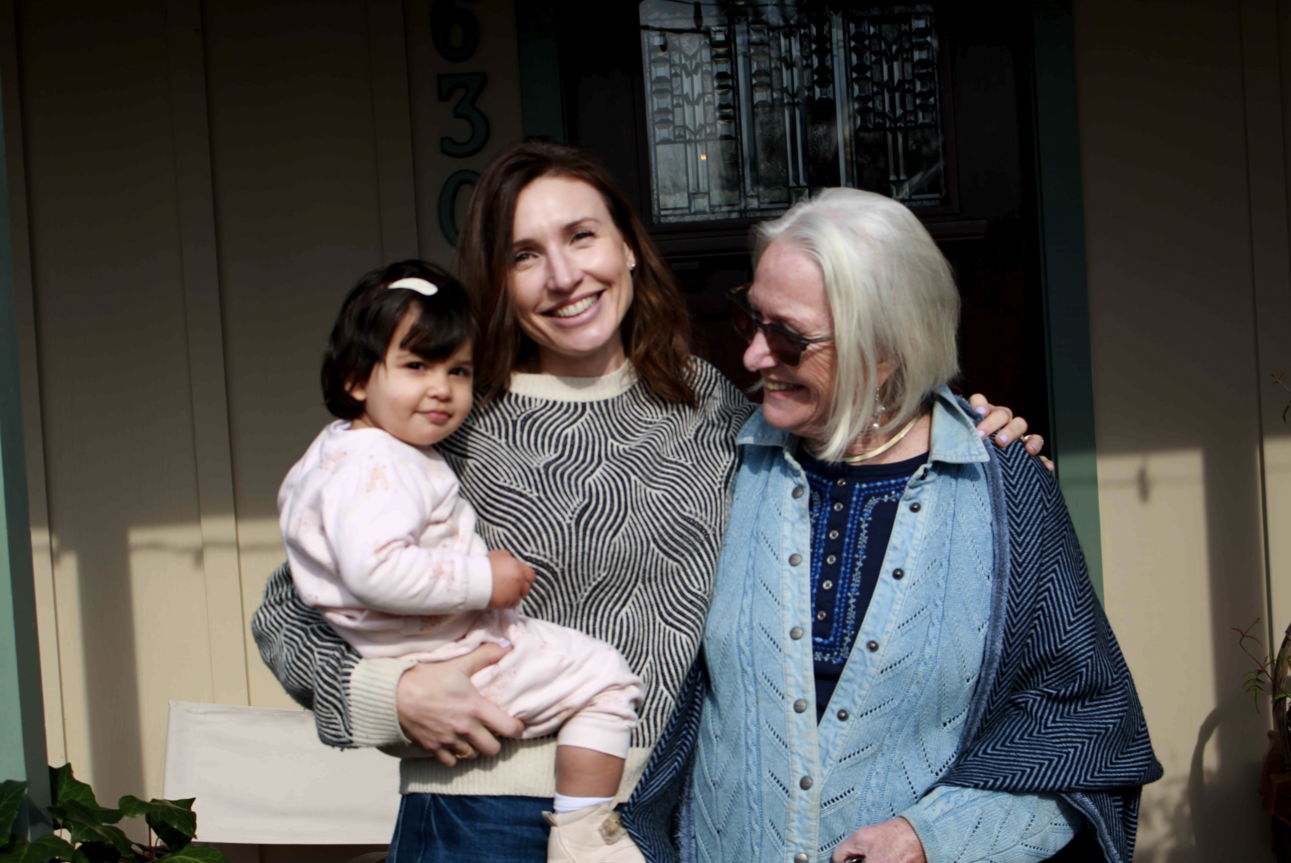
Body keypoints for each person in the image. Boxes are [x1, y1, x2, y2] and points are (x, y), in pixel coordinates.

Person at [251, 139, 1041, 863]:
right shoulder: (451, 418)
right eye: (525, 254)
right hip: (486, 816)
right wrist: (393, 693)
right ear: (497, 279)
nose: (563, 276)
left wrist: (961, 424)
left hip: (670, 819)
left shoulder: (709, 402)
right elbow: (287, 610)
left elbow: (848, 433)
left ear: (627, 246)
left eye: (581, 236)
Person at [687, 187, 1161, 863]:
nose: (754, 358)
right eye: (749, 318)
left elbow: (1081, 722)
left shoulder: (1002, 485)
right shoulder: (721, 457)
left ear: (883, 348)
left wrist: (929, 836)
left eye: (787, 336)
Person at [277, 259, 646, 862]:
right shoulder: (384, 459)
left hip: (657, 790)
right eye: (417, 366)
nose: (442, 389)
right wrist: (481, 584)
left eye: (459, 371)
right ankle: (585, 835)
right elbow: (308, 599)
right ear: (355, 378)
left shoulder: (338, 453)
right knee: (606, 678)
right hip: (466, 743)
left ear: (627, 248)